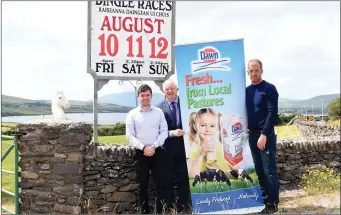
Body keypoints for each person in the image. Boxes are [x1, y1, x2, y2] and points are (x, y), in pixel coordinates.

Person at [125, 84, 170, 214]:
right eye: (142, 95)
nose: (145, 98)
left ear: (151, 96)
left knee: (161, 185)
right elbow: (130, 135)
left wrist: (154, 146)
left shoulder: (159, 112)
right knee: (142, 185)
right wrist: (144, 147)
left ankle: (159, 211)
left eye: (147, 95)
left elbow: (164, 131)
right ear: (138, 97)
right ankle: (144, 212)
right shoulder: (132, 114)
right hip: (140, 153)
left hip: (158, 152)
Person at [246, 59, 280, 214]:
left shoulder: (269, 88)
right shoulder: (246, 91)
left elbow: (273, 113)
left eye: (256, 70)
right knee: (259, 171)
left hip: (265, 136)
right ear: (248, 73)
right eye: (251, 71)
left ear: (261, 71)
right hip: (252, 136)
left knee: (269, 171)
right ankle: (265, 202)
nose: (253, 74)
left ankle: (273, 205)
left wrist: (264, 134)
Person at [186, 108, 251, 181]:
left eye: (212, 126)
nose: (207, 129)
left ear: (217, 127)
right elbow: (191, 175)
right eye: (203, 125)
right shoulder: (194, 151)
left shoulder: (223, 148)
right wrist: (201, 155)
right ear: (195, 127)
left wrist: (228, 171)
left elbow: (237, 169)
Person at [157, 79, 190, 213]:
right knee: (167, 179)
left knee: (184, 178)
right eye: (167, 89)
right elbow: (158, 129)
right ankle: (169, 207)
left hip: (185, 149)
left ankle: (182, 206)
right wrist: (171, 133)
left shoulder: (187, 104)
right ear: (163, 92)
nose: (170, 91)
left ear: (177, 89)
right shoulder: (158, 108)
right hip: (167, 149)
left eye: (172, 88)